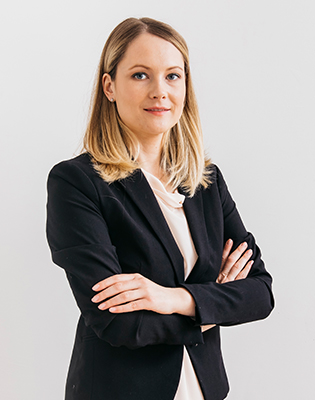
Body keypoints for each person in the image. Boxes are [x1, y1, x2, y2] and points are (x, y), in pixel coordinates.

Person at [46, 17, 274, 400]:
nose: (160, 92)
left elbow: (260, 293)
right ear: (110, 86)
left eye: (172, 76)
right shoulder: (77, 183)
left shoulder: (206, 180)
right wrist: (210, 303)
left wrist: (172, 298)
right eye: (140, 75)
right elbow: (116, 322)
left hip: (203, 390)